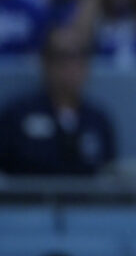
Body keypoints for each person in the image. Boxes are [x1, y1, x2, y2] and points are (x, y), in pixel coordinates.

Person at [0, 27, 116, 176]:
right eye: (62, 56)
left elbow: (108, 176)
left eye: (79, 56)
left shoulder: (98, 121)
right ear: (45, 62)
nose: (71, 66)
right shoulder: (16, 116)